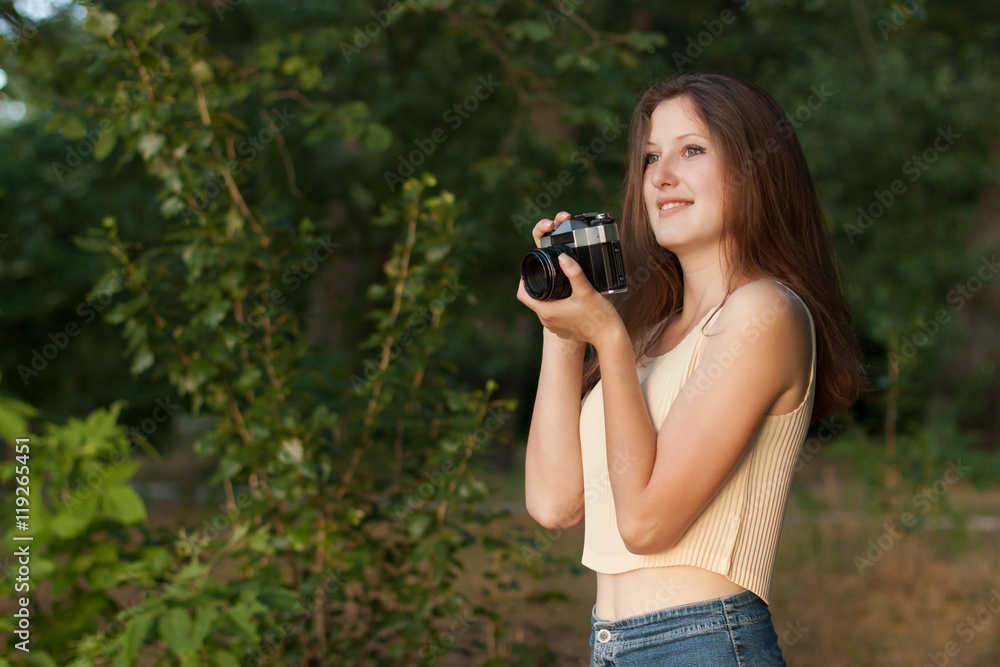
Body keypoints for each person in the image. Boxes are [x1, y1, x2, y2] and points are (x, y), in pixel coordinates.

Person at [515, 72, 868, 666]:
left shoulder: (764, 314)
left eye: (693, 149)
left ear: (756, 167)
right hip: (611, 645)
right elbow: (554, 504)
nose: (662, 175)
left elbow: (648, 525)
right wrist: (563, 329)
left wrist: (605, 335)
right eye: (651, 156)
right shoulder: (650, 335)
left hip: (703, 642)